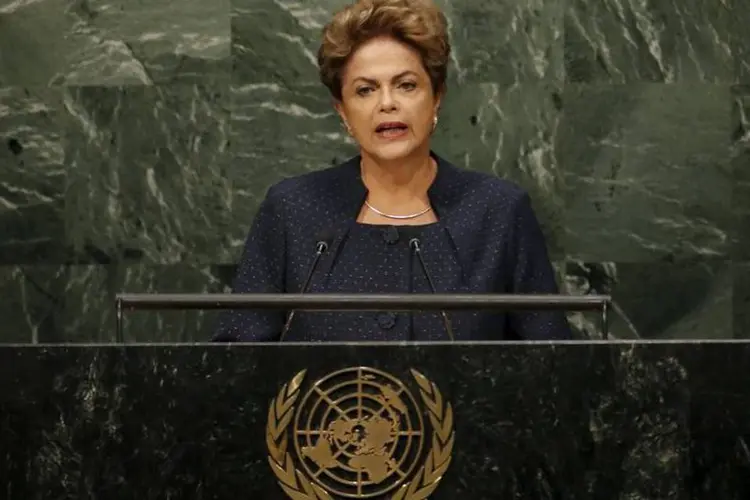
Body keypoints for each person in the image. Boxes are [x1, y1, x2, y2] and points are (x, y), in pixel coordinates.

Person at [214, 0, 572, 342]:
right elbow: (235, 365)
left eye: (406, 85)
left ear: (437, 97)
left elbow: (553, 366)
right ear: (342, 111)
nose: (387, 103)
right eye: (366, 90)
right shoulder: (292, 210)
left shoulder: (498, 212)